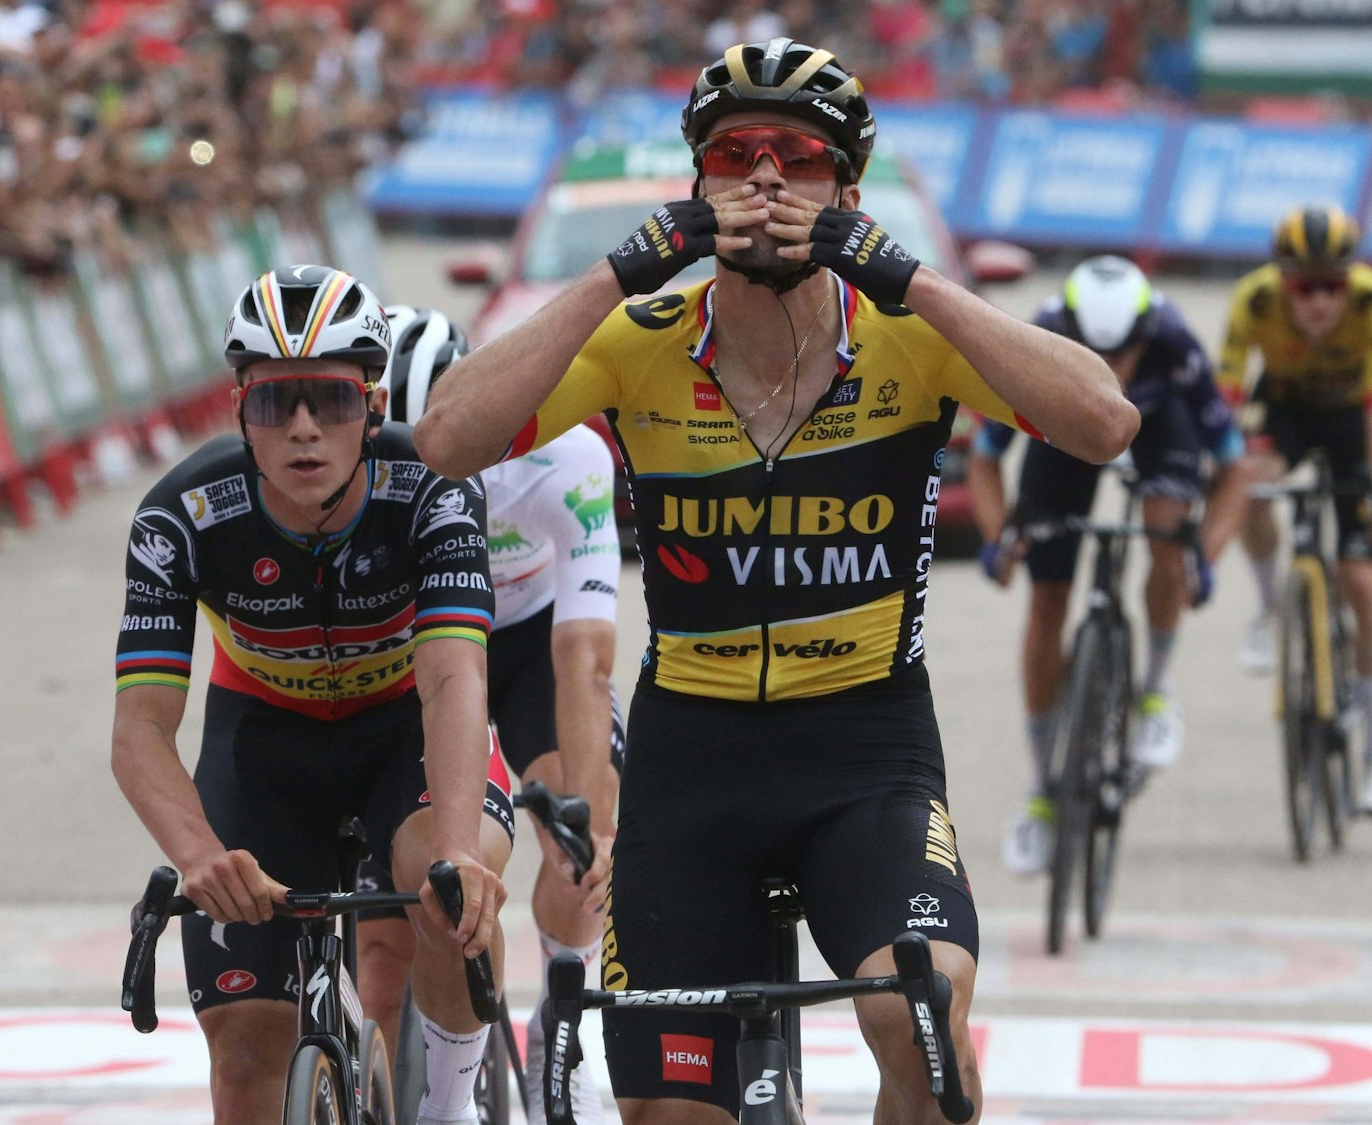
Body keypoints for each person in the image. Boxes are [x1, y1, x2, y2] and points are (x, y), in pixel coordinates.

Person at [412, 37, 1136, 1122]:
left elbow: (1104, 422)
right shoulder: (635, 340)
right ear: (695, 183)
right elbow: (443, 441)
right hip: (690, 765)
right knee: (670, 1114)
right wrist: (619, 269)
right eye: (732, 154)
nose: (761, 178)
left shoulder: (908, 335)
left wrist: (907, 275)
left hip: (864, 755)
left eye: (796, 157)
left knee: (926, 1035)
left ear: (844, 189)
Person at [111, 266, 513, 1125]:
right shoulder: (178, 516)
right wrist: (199, 858)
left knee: (443, 887)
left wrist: (456, 853)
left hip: (404, 730)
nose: (301, 429)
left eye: (328, 402)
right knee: (248, 1046)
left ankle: (448, 1108)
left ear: (373, 407)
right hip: (263, 745)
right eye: (273, 403)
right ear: (238, 412)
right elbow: (139, 728)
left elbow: (450, 678)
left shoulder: (436, 487)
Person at [364, 305, 622, 1124]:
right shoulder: (353, 471)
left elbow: (584, 657)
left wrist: (590, 817)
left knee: (581, 830)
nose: (427, 476)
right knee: (418, 898)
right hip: (423, 647)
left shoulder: (564, 457)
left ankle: (565, 1018)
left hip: (533, 641)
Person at [971, 256, 1248, 875]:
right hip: (1064, 424)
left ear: (1147, 337)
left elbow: (1235, 468)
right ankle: (1041, 791)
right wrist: (997, 541)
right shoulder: (1039, 339)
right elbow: (985, 460)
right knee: (1047, 604)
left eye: (1125, 353)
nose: (1114, 367)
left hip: (1156, 430)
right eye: (1099, 351)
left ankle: (1154, 690)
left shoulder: (1175, 344)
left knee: (1168, 533)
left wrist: (1203, 556)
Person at [1221, 204, 1372, 806]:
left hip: (1352, 420)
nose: (1318, 302)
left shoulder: (1369, 304)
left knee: (1360, 577)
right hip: (1283, 409)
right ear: (1283, 280)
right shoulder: (1254, 301)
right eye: (1304, 286)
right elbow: (1226, 392)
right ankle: (1266, 609)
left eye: (1331, 285)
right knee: (1248, 485)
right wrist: (1225, 458)